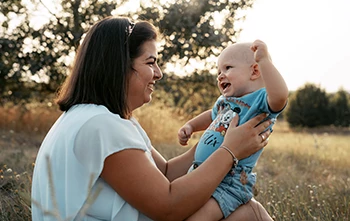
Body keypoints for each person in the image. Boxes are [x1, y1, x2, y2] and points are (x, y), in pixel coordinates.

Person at [31, 16, 274, 221]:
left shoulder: (104, 118)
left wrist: (216, 140)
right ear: (119, 66)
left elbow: (166, 172)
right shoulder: (99, 125)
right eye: (150, 62)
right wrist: (230, 151)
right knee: (248, 213)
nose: (158, 74)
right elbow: (168, 207)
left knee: (245, 211)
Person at [178, 40, 288, 221]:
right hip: (203, 172)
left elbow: (280, 96)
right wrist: (191, 126)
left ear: (254, 71)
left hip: (229, 181)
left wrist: (264, 61)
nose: (220, 75)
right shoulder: (224, 101)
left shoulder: (259, 100)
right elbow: (211, 115)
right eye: (218, 71)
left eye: (228, 68)